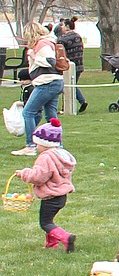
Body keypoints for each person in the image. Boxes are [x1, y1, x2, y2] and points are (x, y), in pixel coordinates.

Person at [15, 118, 77, 250]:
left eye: (37, 144)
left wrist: (24, 173)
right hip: (61, 196)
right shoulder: (62, 155)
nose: (36, 147)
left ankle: (66, 237)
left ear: (45, 143)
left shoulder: (45, 157)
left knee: (45, 223)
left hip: (51, 196)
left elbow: (38, 177)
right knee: (49, 220)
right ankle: (51, 244)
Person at [12, 22, 65, 157]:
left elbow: (50, 61)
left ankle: (30, 145)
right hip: (55, 81)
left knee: (28, 112)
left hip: (46, 83)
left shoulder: (42, 44)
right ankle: (56, 143)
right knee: (50, 115)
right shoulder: (49, 42)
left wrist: (34, 56)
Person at [58, 17, 87, 113]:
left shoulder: (63, 39)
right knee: (72, 85)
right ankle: (82, 101)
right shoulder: (78, 36)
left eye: (62, 25)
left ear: (67, 26)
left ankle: (65, 108)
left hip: (68, 66)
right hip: (79, 65)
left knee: (67, 86)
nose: (60, 27)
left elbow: (59, 53)